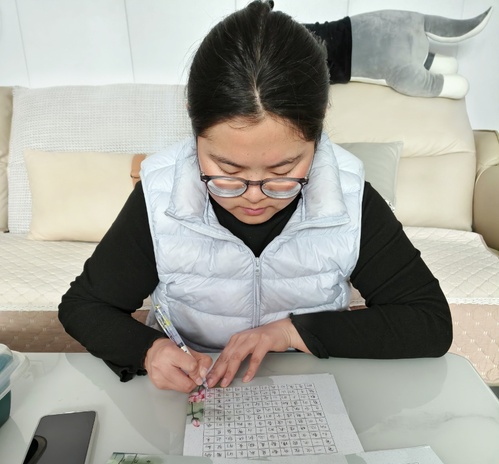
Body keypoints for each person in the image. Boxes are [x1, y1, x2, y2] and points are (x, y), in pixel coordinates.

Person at [58, 0, 452, 394]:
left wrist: (293, 331)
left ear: (319, 127)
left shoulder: (348, 195)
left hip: (308, 392)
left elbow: (429, 322)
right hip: (193, 396)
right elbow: (84, 307)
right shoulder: (161, 195)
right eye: (227, 170)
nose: (253, 197)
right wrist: (149, 350)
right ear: (193, 121)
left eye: (283, 171)